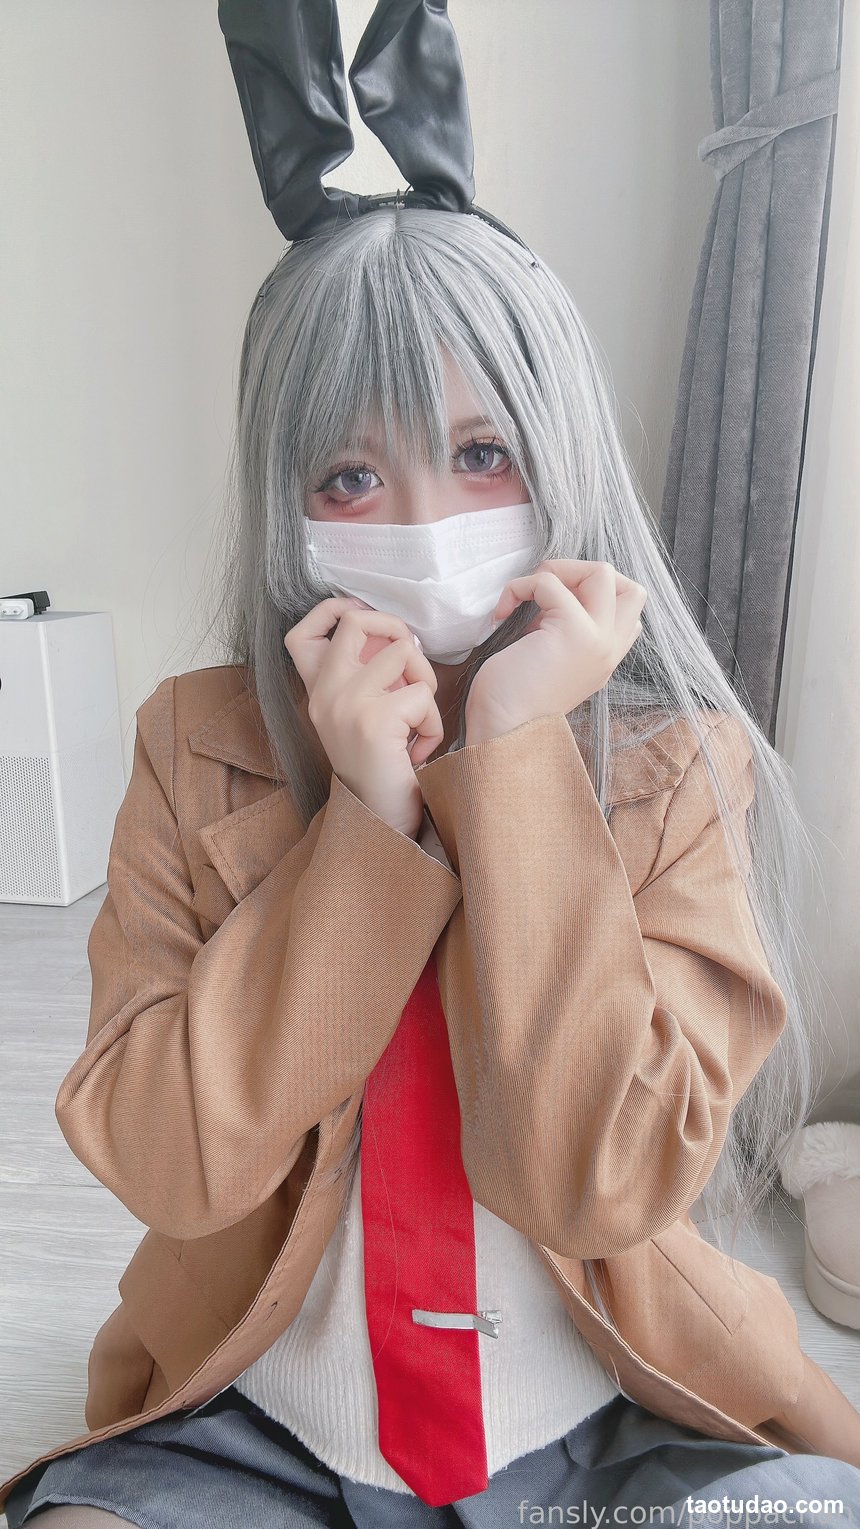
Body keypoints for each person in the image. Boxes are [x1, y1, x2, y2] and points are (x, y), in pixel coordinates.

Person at [5, 4, 860, 1526]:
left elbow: (599, 1181)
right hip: (263, 1417)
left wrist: (517, 753)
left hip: (605, 1413)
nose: (423, 524)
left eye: (481, 455)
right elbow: (166, 1159)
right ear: (284, 500)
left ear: (559, 453)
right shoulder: (195, 743)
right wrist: (366, 823)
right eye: (350, 473)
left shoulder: (677, 762)